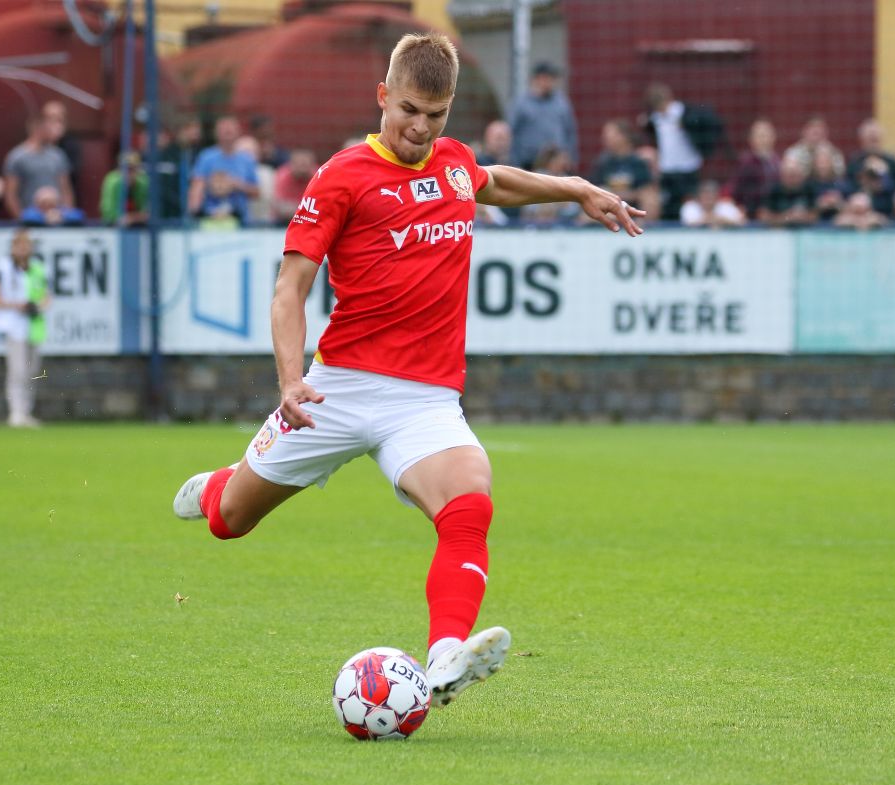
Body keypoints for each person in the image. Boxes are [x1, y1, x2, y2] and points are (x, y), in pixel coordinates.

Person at [171, 32, 643, 710]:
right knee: (231, 520)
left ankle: (446, 655)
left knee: (470, 499)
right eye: (410, 111)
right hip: (335, 389)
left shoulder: (453, 162)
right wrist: (290, 381)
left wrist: (574, 189)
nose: (422, 128)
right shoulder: (341, 176)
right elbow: (290, 289)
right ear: (383, 97)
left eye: (437, 115)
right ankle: (222, 486)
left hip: (424, 400)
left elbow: (494, 181)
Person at [0, 228, 51, 428]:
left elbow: (46, 296)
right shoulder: (3, 268)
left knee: (33, 370)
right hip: (13, 324)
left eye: (26, 246)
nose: (23, 250)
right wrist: (15, 306)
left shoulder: (37, 268)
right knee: (18, 370)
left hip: (34, 324)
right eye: (19, 246)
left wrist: (37, 306)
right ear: (13, 248)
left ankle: (26, 411)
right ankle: (16, 412)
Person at [642, 82, 717, 221]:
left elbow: (706, 127)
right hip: (667, 169)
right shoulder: (654, 119)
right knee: (669, 207)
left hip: (689, 166)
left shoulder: (686, 112)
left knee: (691, 205)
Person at [187, 116, 258, 225]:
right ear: (217, 134)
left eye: (230, 132)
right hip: (210, 220)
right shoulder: (206, 157)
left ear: (237, 133)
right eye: (224, 132)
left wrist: (237, 185)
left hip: (240, 222)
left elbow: (256, 192)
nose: (227, 136)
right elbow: (197, 185)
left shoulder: (246, 160)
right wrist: (194, 212)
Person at [508, 61, 578, 171]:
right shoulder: (521, 103)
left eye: (552, 78)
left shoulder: (561, 102)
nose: (550, 82)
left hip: (556, 165)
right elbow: (511, 133)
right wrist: (514, 162)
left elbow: (570, 132)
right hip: (528, 163)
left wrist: (571, 157)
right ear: (535, 79)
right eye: (546, 78)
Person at [4, 113, 73, 220]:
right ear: (37, 128)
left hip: (56, 218)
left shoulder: (58, 155)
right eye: (48, 126)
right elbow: (10, 194)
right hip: (31, 218)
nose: (51, 129)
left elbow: (66, 190)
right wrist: (22, 219)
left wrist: (65, 215)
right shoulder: (17, 157)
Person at [589, 118, 658, 222]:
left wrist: (625, 195)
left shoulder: (638, 162)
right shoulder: (603, 163)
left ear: (624, 137)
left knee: (650, 199)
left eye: (610, 134)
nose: (605, 138)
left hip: (633, 206)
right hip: (609, 207)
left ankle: (644, 225)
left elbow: (646, 189)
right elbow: (596, 190)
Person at [730, 118, 780, 220]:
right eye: (760, 136)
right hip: (752, 216)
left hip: (775, 214)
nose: (763, 140)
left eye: (766, 135)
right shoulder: (746, 162)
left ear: (774, 137)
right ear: (751, 139)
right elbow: (737, 190)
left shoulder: (777, 161)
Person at [158, 116, 202, 220]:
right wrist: (183, 204)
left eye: (197, 129)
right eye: (190, 128)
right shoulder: (167, 154)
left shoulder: (200, 154)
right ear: (180, 131)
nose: (196, 132)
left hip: (195, 214)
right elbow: (164, 187)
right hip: (170, 214)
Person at [757, 155, 816, 227]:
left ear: (801, 176)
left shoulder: (808, 189)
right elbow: (763, 216)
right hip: (779, 231)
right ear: (782, 176)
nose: (791, 179)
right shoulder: (774, 190)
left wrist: (803, 217)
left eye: (795, 175)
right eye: (789, 175)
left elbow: (815, 215)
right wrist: (786, 217)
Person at [42, 101, 82, 206]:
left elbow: (72, 174)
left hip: (62, 203)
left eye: (59, 120)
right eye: (50, 119)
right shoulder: (33, 144)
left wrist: (55, 142)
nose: (54, 124)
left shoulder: (71, 145)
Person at [846, 118, 895, 188]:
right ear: (862, 140)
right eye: (870, 139)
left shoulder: (891, 161)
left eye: (875, 140)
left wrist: (884, 176)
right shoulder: (855, 161)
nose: (873, 145)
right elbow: (849, 184)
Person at [99, 151, 149, 226]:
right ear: (119, 169)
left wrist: (131, 218)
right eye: (125, 169)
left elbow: (148, 213)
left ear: (138, 170)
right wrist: (134, 217)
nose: (128, 173)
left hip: (139, 227)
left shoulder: (143, 182)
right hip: (113, 227)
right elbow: (108, 214)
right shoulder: (112, 181)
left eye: (132, 169)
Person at [272, 148, 317, 222]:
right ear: (291, 164)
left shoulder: (319, 177)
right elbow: (280, 206)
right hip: (283, 222)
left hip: (311, 221)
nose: (302, 169)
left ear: (312, 165)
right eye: (299, 165)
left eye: (305, 165)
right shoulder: (283, 176)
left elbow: (322, 206)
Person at [679, 180, 744, 228]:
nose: (708, 200)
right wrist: (711, 219)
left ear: (717, 197)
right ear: (699, 197)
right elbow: (688, 223)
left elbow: (742, 222)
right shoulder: (690, 206)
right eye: (705, 196)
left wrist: (721, 220)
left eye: (711, 196)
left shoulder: (726, 205)